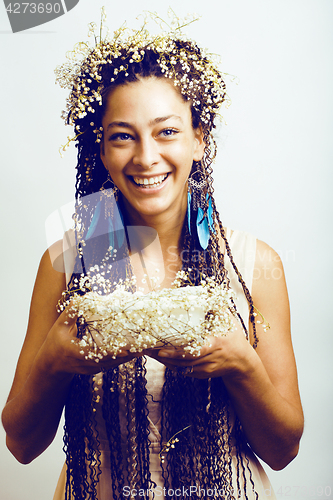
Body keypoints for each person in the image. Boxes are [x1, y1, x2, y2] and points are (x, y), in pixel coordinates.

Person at [1, 10, 303, 500]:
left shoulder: (254, 264)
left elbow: (284, 448)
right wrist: (53, 361)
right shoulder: (68, 262)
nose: (145, 157)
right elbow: (20, 444)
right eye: (122, 135)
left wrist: (240, 363)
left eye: (166, 131)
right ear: (101, 151)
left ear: (199, 140)